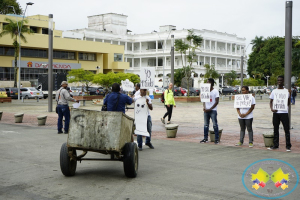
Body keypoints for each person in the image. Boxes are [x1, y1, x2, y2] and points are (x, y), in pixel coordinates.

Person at [269, 76, 292, 151]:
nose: (279, 81)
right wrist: (272, 109)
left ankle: (288, 146)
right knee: (275, 129)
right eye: (278, 80)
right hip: (276, 113)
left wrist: (290, 95)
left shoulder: (286, 91)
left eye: (281, 80)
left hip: (284, 113)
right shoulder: (274, 91)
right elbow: (271, 101)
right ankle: (276, 145)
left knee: (286, 129)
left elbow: (288, 103)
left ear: (283, 81)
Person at [200, 78, 220, 144]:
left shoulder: (215, 91)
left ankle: (216, 139)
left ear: (211, 83)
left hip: (213, 110)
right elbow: (203, 100)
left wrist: (210, 109)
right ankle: (205, 138)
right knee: (206, 125)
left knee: (215, 125)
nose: (207, 83)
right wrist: (204, 107)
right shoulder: (205, 91)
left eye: (208, 82)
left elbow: (217, 102)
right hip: (206, 110)